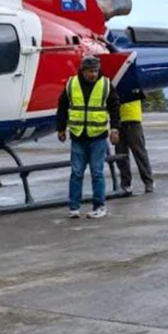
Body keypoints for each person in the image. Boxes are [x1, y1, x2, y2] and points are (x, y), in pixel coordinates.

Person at [56, 55, 121, 218]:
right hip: (78, 136)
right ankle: (74, 207)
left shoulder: (105, 85)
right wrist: (61, 128)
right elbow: (62, 106)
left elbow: (114, 107)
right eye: (90, 71)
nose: (93, 74)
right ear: (82, 71)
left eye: (95, 71)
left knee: (97, 173)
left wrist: (115, 129)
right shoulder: (72, 84)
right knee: (76, 172)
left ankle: (99, 206)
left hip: (97, 137)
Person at [115, 93, 154, 194]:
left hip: (132, 118)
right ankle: (126, 183)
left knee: (139, 153)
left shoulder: (133, 84)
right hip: (118, 120)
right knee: (120, 155)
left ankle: (148, 182)